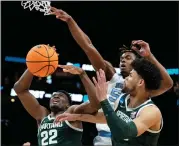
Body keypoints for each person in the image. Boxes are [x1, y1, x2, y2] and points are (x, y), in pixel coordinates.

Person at [50, 7, 173, 146]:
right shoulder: (114, 80)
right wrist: (70, 21)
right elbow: (88, 46)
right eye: (121, 58)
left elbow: (168, 84)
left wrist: (149, 56)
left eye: (127, 57)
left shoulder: (144, 93)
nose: (122, 60)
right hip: (104, 138)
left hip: (128, 136)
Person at [14, 54, 99, 146]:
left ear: (68, 105)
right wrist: (33, 65)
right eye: (53, 96)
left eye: (61, 96)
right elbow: (20, 90)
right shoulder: (42, 116)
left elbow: (96, 105)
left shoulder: (72, 113)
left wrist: (83, 74)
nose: (55, 96)